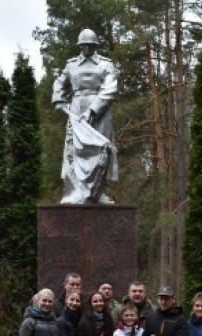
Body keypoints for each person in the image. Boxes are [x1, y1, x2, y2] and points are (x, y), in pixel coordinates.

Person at [52, 29, 119, 204]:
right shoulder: (71, 65)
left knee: (101, 150)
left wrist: (93, 111)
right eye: (83, 45)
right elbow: (59, 82)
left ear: (95, 45)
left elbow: (110, 89)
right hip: (76, 109)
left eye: (90, 45)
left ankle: (99, 193)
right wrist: (59, 100)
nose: (87, 48)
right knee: (76, 150)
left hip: (100, 111)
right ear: (80, 46)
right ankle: (74, 191)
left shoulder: (106, 64)